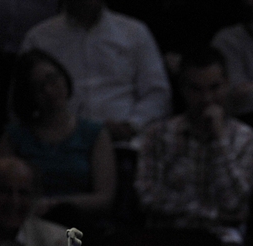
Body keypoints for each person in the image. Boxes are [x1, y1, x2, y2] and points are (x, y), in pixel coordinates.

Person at [135, 46, 253, 246]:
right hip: (167, 237)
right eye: (196, 89)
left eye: (214, 88)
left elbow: (233, 202)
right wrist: (212, 215)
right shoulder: (158, 135)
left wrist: (219, 139)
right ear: (183, 90)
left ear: (227, 84)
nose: (207, 98)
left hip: (223, 242)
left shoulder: (248, 141)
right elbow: (148, 198)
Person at [20, 0, 171, 143]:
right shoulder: (39, 38)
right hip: (59, 145)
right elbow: (22, 102)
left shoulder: (134, 33)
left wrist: (132, 125)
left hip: (124, 143)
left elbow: (157, 93)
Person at [0, 48, 115, 220]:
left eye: (53, 79)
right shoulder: (15, 136)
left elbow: (104, 198)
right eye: (39, 87)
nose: (50, 91)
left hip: (80, 224)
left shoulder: (94, 133)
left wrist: (53, 204)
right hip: (27, 221)